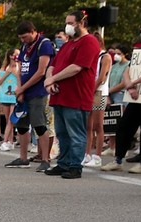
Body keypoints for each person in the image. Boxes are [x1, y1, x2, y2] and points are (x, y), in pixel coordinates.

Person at [42, 9, 99, 179]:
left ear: (81, 23)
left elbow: (76, 67)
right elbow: (53, 65)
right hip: (60, 96)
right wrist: (50, 79)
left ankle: (75, 166)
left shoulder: (89, 42)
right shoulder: (68, 44)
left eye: (71, 23)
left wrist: (52, 79)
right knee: (62, 133)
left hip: (77, 96)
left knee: (76, 133)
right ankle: (63, 163)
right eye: (66, 23)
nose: (67, 27)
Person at [102, 19, 141, 174]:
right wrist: (130, 85)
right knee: (124, 125)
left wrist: (134, 83)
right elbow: (128, 70)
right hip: (135, 94)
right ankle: (118, 159)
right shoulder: (139, 50)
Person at [6, 21, 55, 172]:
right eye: (20, 38)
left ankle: (45, 159)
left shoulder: (44, 44)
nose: (23, 40)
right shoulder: (24, 47)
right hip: (24, 92)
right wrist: (20, 90)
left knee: (39, 124)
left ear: (33, 32)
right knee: (21, 124)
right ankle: (23, 158)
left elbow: (41, 71)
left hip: (37, 92)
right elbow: (20, 68)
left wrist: (23, 89)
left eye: (25, 37)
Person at [82, 33, 112, 169]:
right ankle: (87, 154)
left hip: (99, 91)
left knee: (98, 125)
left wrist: (91, 90)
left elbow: (101, 77)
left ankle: (98, 156)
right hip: (90, 91)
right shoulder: (93, 55)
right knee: (88, 126)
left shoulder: (105, 56)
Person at [103, 43, 131, 155]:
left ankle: (122, 147)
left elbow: (124, 82)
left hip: (122, 95)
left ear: (125, 54)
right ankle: (111, 146)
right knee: (111, 123)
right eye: (115, 54)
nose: (116, 56)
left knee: (122, 123)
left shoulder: (128, 65)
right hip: (111, 95)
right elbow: (107, 80)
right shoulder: (113, 66)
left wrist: (109, 91)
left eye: (119, 54)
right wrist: (108, 95)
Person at [0, 49, 19, 151]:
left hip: (14, 95)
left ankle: (5, 141)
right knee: (7, 118)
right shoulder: (4, 67)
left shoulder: (19, 66)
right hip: (5, 95)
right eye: (15, 54)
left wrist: (14, 72)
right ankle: (10, 141)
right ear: (10, 56)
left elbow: (20, 79)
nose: (17, 56)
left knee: (11, 119)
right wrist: (6, 74)